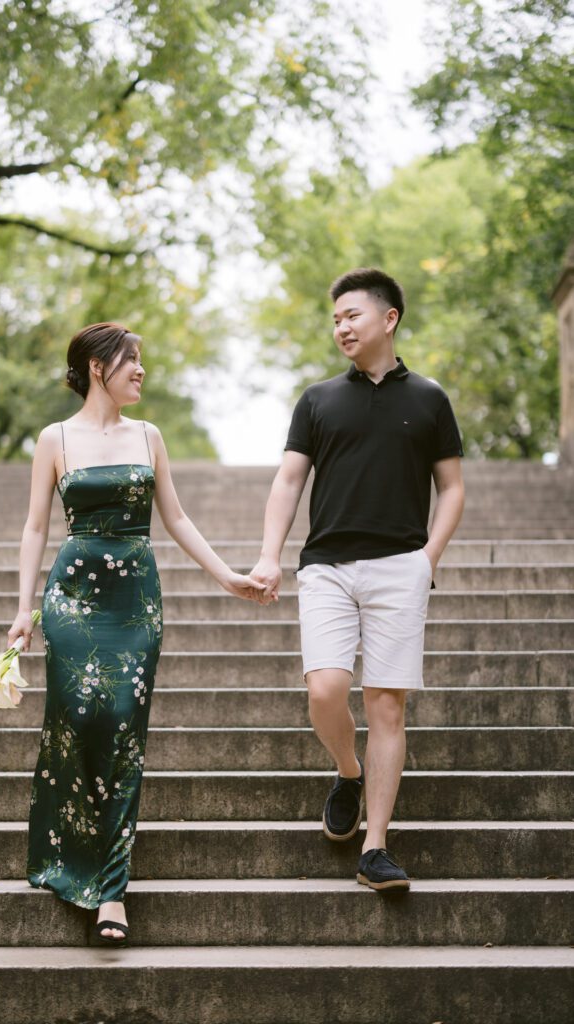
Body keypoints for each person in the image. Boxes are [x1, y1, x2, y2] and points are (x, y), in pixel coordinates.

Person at [7, 321, 263, 943]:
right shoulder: (54, 438)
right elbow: (37, 527)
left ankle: (111, 891)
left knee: (121, 724)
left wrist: (227, 575)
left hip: (134, 600)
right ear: (99, 367)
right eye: (132, 361)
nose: (142, 370)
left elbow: (174, 516)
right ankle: (71, 857)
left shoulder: (148, 436)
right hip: (72, 596)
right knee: (81, 720)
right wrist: (23, 609)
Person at [250, 268, 464, 891]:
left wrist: (428, 557)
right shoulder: (318, 399)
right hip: (327, 566)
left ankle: (375, 846)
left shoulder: (429, 398)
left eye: (352, 316)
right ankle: (348, 770)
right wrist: (270, 555)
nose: (341, 327)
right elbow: (289, 480)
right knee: (326, 689)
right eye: (336, 319)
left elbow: (451, 490)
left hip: (402, 565)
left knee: (386, 706)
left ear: (388, 318)